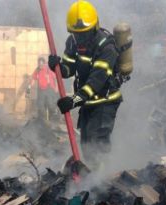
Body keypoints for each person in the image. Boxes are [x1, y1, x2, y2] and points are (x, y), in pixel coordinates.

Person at [48, 0, 123, 167]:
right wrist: (57, 66)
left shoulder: (106, 46)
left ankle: (101, 183)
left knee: (98, 143)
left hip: (105, 101)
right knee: (86, 143)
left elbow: (96, 80)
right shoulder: (73, 42)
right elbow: (68, 70)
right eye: (76, 33)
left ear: (94, 27)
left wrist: (73, 100)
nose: (80, 38)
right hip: (87, 102)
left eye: (84, 33)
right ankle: (91, 178)